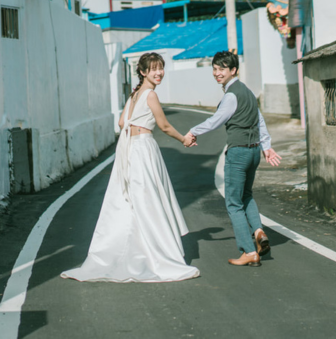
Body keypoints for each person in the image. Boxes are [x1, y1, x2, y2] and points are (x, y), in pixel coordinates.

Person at [61, 52, 199, 283]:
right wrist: (184, 139)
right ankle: (154, 252)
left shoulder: (135, 94)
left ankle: (134, 248)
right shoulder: (151, 95)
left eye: (161, 67)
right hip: (144, 148)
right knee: (149, 200)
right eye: (154, 68)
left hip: (130, 149)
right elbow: (164, 126)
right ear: (143, 72)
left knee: (134, 200)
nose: (159, 72)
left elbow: (122, 123)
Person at [184, 51, 281, 267]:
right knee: (246, 195)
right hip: (254, 151)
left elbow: (216, 120)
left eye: (222, 69)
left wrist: (192, 131)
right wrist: (266, 147)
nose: (217, 73)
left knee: (233, 204)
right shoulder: (248, 92)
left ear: (233, 70)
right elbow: (260, 121)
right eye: (215, 69)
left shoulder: (231, 95)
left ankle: (249, 251)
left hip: (238, 152)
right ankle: (258, 232)